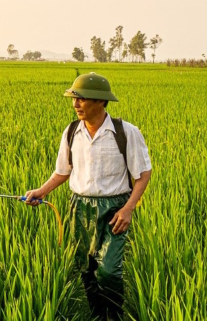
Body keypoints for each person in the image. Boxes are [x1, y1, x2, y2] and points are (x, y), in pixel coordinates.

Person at [24, 72, 152, 320]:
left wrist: (128, 209)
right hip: (80, 208)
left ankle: (114, 315)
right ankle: (97, 314)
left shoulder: (125, 132)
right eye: (74, 99)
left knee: (109, 271)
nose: (76, 104)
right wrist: (40, 191)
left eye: (82, 99)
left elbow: (143, 174)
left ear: (102, 101)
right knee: (86, 269)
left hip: (115, 209)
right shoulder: (72, 132)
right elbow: (63, 172)